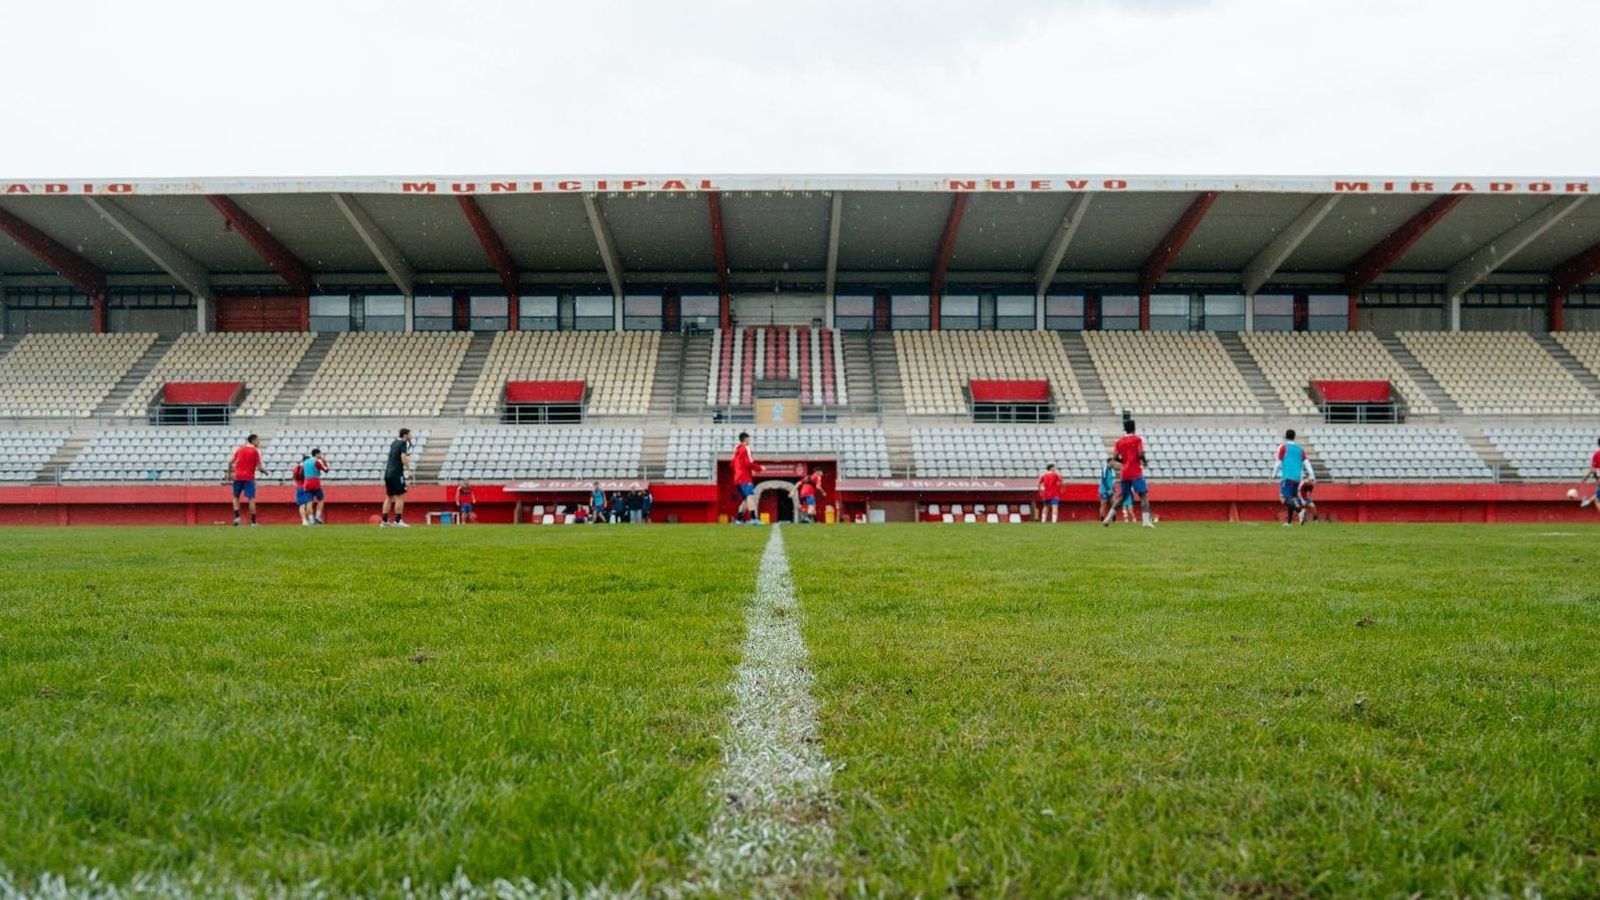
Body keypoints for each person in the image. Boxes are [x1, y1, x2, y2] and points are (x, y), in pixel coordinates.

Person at [1103, 419, 1154, 528]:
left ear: (1125, 429)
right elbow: (1140, 453)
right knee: (1143, 495)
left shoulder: (1120, 441)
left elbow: (1115, 457)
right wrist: (1144, 461)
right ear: (1134, 428)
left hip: (1125, 472)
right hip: (1135, 471)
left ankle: (1108, 518)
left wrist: (1124, 461)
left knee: (1122, 496)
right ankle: (1145, 522)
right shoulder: (1137, 439)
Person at [1272, 428, 1314, 528]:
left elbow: (1278, 462)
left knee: (1283, 499)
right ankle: (1289, 522)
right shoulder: (1300, 449)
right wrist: (1312, 475)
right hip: (1297, 479)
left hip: (1287, 477)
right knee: (1291, 499)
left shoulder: (1283, 447)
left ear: (1286, 436)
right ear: (1294, 437)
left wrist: (1274, 474)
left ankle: (1300, 511)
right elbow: (1306, 463)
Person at [227, 434, 268, 527]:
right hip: (249, 477)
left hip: (238, 476)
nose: (259, 442)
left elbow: (230, 462)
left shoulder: (240, 449)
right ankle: (253, 522)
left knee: (235, 497)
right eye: (258, 440)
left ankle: (237, 517)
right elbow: (259, 467)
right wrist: (265, 472)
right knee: (251, 499)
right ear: (253, 440)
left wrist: (230, 474)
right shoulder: (256, 451)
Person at [381, 428, 412, 527]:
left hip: (388, 473)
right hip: (396, 473)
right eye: (410, 434)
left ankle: (384, 521)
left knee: (389, 497)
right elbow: (403, 457)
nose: (411, 436)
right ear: (405, 435)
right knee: (400, 496)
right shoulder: (403, 443)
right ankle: (398, 521)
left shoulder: (394, 442)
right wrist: (408, 469)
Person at [732, 431, 761, 525]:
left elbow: (731, 464)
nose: (750, 441)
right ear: (745, 439)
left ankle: (738, 520)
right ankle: (753, 519)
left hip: (737, 478)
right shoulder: (745, 448)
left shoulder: (736, 449)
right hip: (744, 478)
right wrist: (759, 468)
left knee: (746, 499)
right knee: (750, 496)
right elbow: (748, 463)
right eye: (749, 439)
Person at [302, 448, 329, 525]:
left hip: (306, 482)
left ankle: (311, 520)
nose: (320, 455)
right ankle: (317, 516)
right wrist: (324, 461)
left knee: (309, 502)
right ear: (317, 454)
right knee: (321, 499)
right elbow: (326, 469)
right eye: (320, 454)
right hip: (315, 482)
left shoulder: (305, 462)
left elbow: (301, 472)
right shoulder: (316, 461)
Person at [1579, 438, 1600, 516]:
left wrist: (1586, 477)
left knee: (1598, 500)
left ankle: (1587, 502)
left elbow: (1593, 470)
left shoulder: (1597, 455)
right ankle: (1587, 501)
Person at [1096, 456, 1118, 524]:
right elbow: (1104, 479)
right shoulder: (1105, 468)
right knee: (1103, 505)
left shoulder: (1111, 470)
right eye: (1113, 462)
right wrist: (1108, 489)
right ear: (1109, 462)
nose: (1114, 463)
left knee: (1114, 504)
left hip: (1111, 490)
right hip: (1104, 490)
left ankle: (1114, 519)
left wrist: (1113, 488)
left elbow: (1110, 480)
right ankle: (1102, 520)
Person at [292, 452, 311, 526]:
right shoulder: (308, 467)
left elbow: (294, 477)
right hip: (307, 487)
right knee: (308, 504)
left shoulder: (297, 467)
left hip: (299, 487)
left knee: (302, 505)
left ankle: (304, 520)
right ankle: (308, 519)